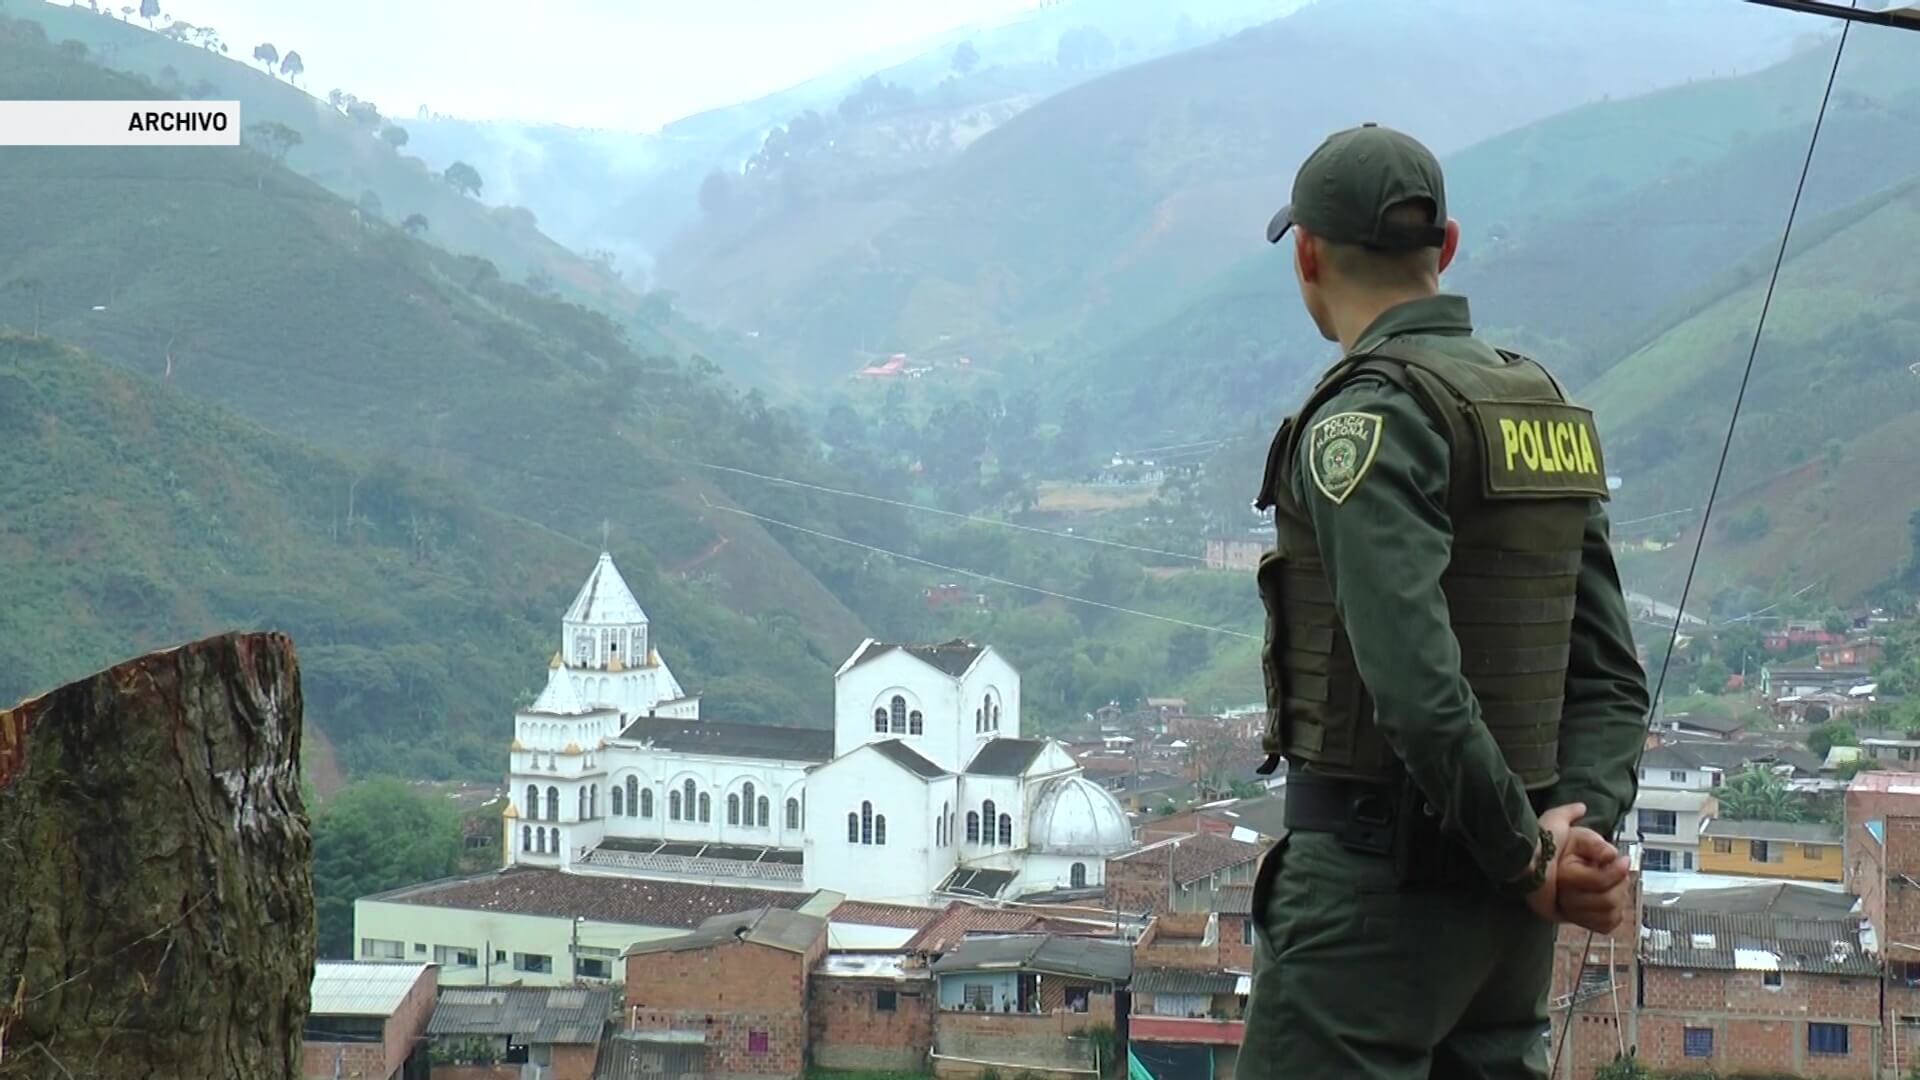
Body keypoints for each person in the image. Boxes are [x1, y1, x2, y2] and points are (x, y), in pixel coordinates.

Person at [1236, 123, 1651, 1080]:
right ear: (1447, 249)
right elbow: (1611, 681)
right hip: (1508, 935)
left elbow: (1418, 690)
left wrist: (1530, 858)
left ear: (1306, 255)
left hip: (1372, 902)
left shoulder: (1365, 420)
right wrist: (1569, 841)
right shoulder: (1535, 403)